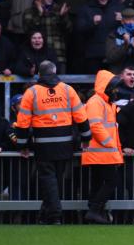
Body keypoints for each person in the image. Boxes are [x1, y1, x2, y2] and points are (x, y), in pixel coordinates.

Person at [13, 60, 90, 225]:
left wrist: (22, 145)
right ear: (55, 72)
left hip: (43, 144)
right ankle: (46, 215)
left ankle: (54, 215)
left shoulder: (31, 92)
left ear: (39, 74)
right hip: (65, 144)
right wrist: (85, 139)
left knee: (49, 180)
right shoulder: (68, 89)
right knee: (56, 181)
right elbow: (81, 117)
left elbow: (23, 122)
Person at [82, 70, 124, 224]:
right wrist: (110, 144)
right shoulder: (96, 102)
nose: (116, 91)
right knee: (111, 181)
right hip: (101, 153)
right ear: (106, 87)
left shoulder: (105, 103)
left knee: (99, 183)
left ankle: (94, 213)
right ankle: (94, 211)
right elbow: (95, 125)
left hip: (102, 153)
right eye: (114, 88)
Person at [22, 0, 73, 72]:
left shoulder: (59, 10)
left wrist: (62, 17)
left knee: (59, 84)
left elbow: (69, 30)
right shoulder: (30, 11)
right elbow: (28, 31)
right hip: (37, 55)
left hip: (58, 55)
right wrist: (40, 14)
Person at [76, 0, 123, 73]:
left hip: (113, 54)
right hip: (93, 55)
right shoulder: (86, 8)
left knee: (112, 84)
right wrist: (92, 23)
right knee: (95, 84)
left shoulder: (118, 7)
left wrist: (123, 21)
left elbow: (130, 28)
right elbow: (79, 29)